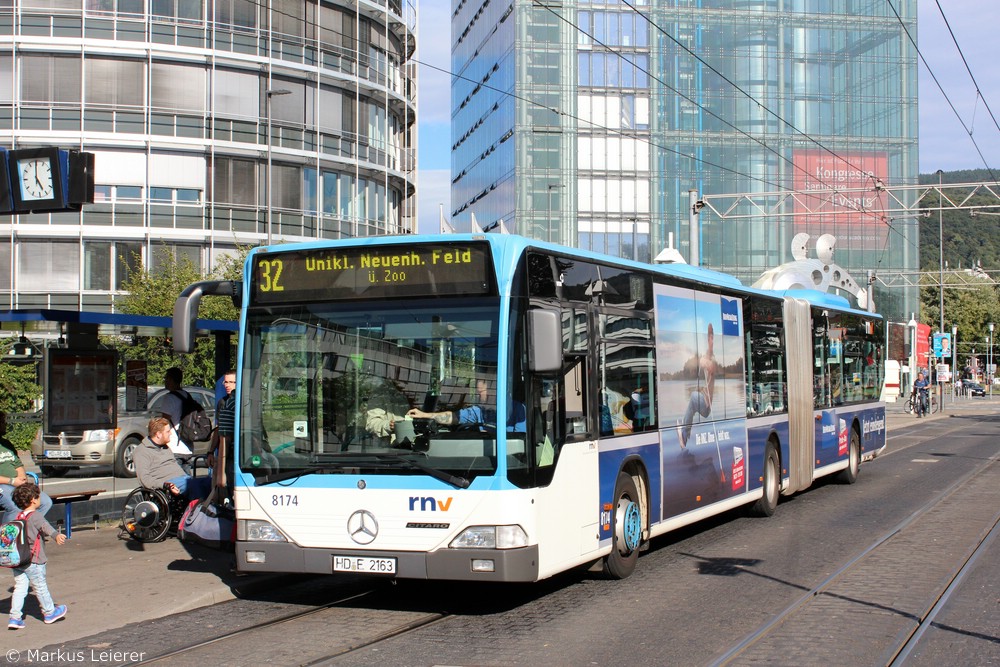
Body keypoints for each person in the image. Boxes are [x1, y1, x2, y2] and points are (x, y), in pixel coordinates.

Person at [7, 482, 67, 629]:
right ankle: (49, 612)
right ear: (33, 499)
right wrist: (56, 535)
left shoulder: (18, 516)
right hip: (34, 559)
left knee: (20, 587)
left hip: (18, 560)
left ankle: (15, 618)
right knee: (40, 586)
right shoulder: (35, 516)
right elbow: (45, 527)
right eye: (38, 496)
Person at [407, 378, 527, 432]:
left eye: (481, 392)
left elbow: (519, 440)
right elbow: (454, 417)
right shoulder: (479, 411)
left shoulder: (518, 410)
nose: (479, 395)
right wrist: (424, 414)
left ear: (493, 391)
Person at [134, 417, 211, 501]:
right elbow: (145, 479)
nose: (170, 433)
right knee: (194, 485)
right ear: (158, 434)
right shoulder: (142, 451)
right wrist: (164, 484)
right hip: (167, 483)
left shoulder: (165, 447)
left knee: (209, 482)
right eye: (167, 431)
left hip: (182, 478)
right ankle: (199, 510)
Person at [0, 412, 52, 525]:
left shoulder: (6, 444)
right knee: (16, 507)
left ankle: (27, 528)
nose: (5, 425)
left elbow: (18, 464)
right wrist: (13, 481)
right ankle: (7, 536)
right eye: (2, 422)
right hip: (3, 485)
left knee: (45, 502)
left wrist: (22, 478)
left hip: (17, 484)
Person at [676, 323, 718, 449]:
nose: (709, 341)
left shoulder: (713, 359)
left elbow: (712, 367)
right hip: (705, 403)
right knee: (692, 405)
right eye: (708, 338)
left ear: (713, 340)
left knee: (694, 396)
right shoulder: (708, 355)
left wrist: (707, 364)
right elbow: (701, 360)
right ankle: (685, 436)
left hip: (706, 405)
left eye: (711, 338)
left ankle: (684, 434)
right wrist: (702, 361)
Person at [160, 366, 193, 456]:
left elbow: (164, 421)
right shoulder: (187, 395)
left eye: (166, 378)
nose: (165, 381)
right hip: (188, 446)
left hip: (174, 446)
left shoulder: (169, 398)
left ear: (171, 380)